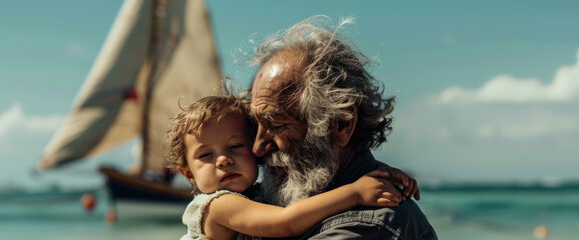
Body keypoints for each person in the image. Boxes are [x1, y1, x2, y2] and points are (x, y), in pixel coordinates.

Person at [247, 15, 438, 239]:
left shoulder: (367, 226)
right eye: (254, 124)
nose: (257, 149)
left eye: (277, 124)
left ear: (341, 125)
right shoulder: (281, 199)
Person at [164, 95, 419, 240]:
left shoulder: (253, 195)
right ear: (188, 174)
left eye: (235, 147)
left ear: (255, 150)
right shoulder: (218, 206)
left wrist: (380, 172)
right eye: (206, 155)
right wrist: (355, 192)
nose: (223, 160)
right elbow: (286, 221)